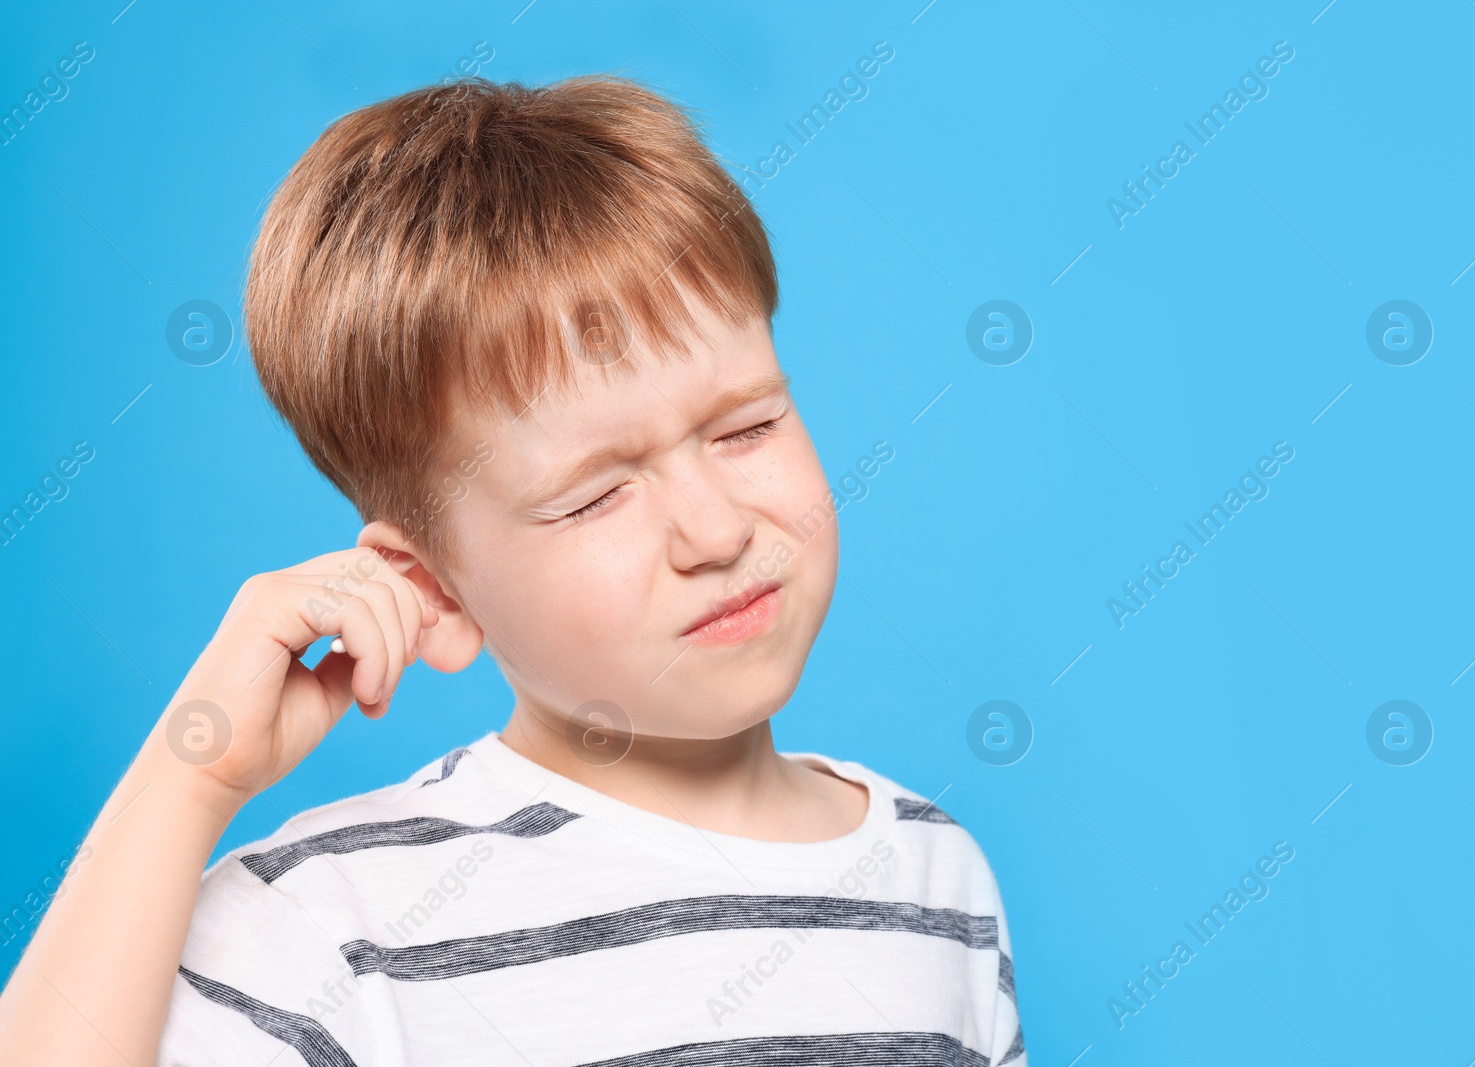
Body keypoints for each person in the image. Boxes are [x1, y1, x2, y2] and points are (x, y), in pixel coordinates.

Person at [0, 74, 1026, 1066]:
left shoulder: (936, 874)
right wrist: (191, 776)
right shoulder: (329, 923)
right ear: (435, 584)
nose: (714, 529)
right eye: (592, 495)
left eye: (746, 425)